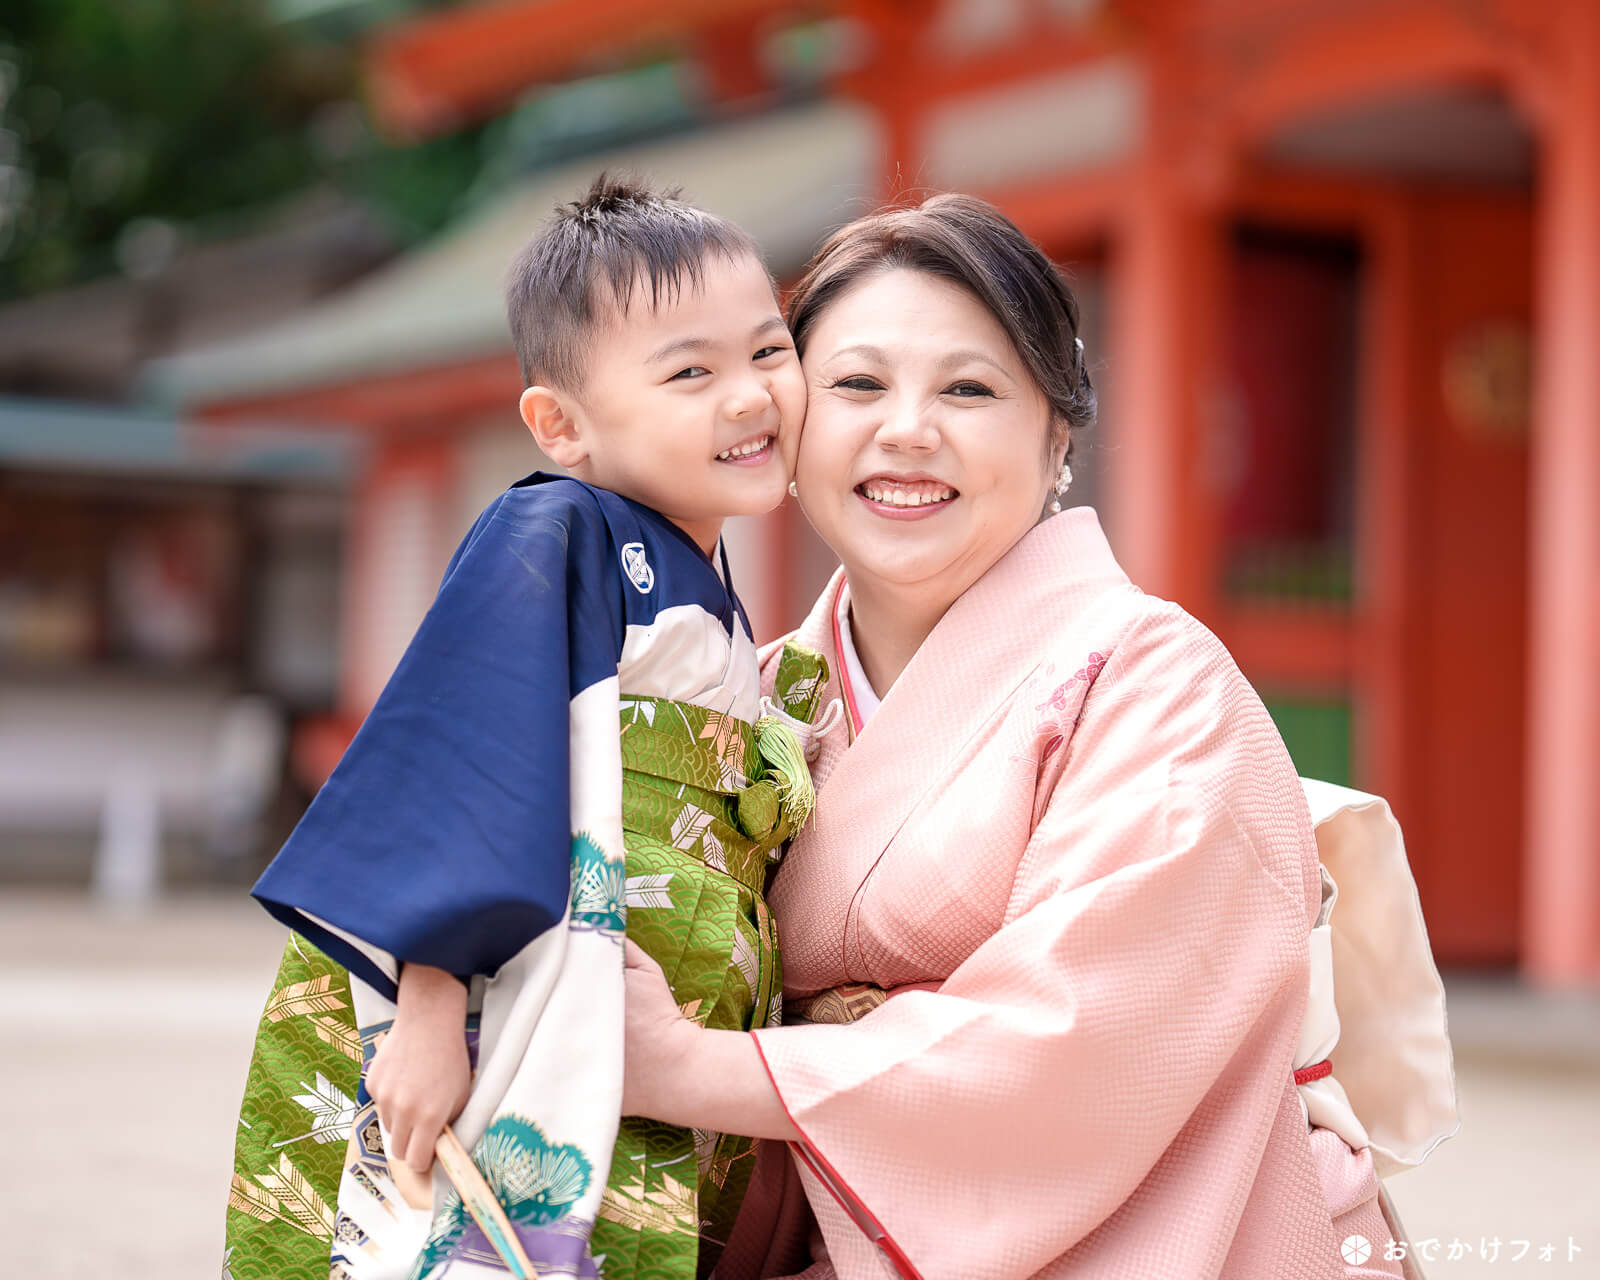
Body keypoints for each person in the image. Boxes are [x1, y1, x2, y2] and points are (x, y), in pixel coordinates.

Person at [617, 194, 1456, 1279]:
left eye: (968, 388)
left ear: (1056, 433)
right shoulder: (757, 692)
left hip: (1169, 1227)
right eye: (858, 384)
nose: (907, 428)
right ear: (787, 424)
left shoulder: (1155, 678)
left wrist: (693, 1071)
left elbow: (1086, 1036)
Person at [226, 175, 824, 1280]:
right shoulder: (554, 525)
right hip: (491, 986)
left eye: (769, 352)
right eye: (690, 370)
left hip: (626, 995)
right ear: (562, 424)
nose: (748, 396)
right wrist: (428, 1001)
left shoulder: (706, 577)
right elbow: (467, 744)